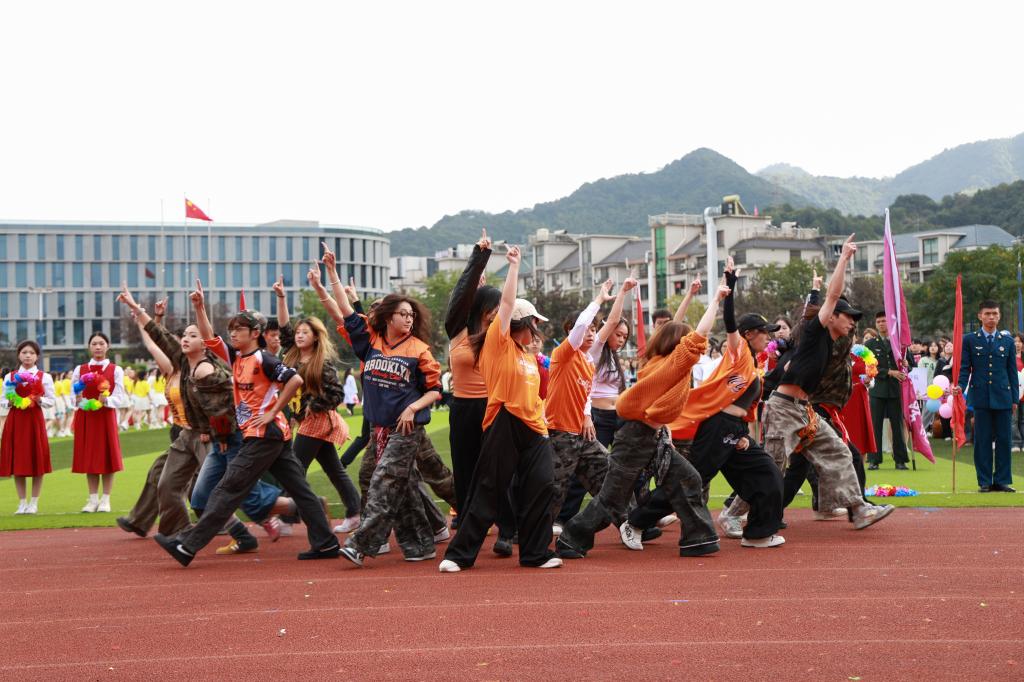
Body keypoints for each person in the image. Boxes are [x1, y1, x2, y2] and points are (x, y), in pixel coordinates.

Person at [153, 279, 337, 566]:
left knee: (226, 490)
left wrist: (272, 411)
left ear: (255, 333)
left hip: (264, 434)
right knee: (300, 491)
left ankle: (187, 546)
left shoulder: (265, 359)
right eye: (232, 329)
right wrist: (199, 307)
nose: (233, 333)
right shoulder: (236, 356)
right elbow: (209, 336)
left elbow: (295, 380)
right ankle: (326, 543)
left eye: (239, 329)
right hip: (271, 435)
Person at [556, 282, 726, 560]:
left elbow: (678, 329)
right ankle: (571, 539)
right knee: (613, 497)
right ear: (679, 344)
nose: (697, 348)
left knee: (688, 478)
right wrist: (716, 299)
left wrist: (691, 298)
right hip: (636, 436)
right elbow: (698, 334)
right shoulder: (672, 363)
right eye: (687, 342)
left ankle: (698, 538)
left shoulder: (664, 361)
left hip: (649, 435)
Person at [314, 253, 447, 566]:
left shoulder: (420, 350)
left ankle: (361, 544)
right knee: (402, 485)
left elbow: (435, 390)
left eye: (411, 315)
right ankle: (420, 545)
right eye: (403, 314)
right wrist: (332, 274)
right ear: (388, 317)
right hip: (379, 429)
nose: (409, 319)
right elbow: (345, 311)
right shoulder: (370, 341)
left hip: (406, 428)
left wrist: (413, 407)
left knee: (383, 480)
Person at [439, 246, 562, 572]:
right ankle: (459, 555)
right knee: (488, 489)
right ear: (521, 323)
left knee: (542, 485)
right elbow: (506, 305)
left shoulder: (527, 355)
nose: (537, 330)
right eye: (534, 323)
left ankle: (536, 553)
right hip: (504, 421)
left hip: (535, 428)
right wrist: (514, 267)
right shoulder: (499, 343)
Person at [761, 235, 894, 531]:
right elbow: (830, 298)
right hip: (785, 408)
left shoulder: (835, 341)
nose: (852, 323)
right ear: (830, 317)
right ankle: (738, 512)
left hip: (804, 409)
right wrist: (843, 259)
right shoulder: (813, 333)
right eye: (847, 317)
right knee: (773, 466)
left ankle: (855, 509)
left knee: (839, 453)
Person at [547, 277, 637, 542]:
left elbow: (585, 393)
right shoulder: (564, 354)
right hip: (560, 433)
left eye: (593, 330)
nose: (590, 333)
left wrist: (586, 415)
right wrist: (599, 299)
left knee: (609, 472)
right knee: (555, 488)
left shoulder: (589, 360)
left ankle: (631, 522)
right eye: (586, 329)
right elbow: (583, 325)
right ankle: (533, 532)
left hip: (582, 433)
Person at [275, 273, 361, 533]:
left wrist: (314, 406)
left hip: (318, 420)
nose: (299, 335)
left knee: (294, 468)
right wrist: (281, 298)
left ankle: (286, 518)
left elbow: (336, 394)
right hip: (307, 421)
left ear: (315, 337)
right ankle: (355, 512)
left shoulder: (321, 363)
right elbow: (284, 329)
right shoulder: (292, 355)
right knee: (334, 469)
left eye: (305, 332)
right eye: (298, 332)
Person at [442, 229, 510, 541]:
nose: (497, 311)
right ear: (481, 306)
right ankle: (470, 527)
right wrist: (479, 257)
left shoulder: (500, 334)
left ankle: (507, 530)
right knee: (465, 469)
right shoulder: (458, 331)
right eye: (493, 306)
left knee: (498, 469)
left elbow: (510, 304)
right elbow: (460, 297)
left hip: (493, 407)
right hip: (462, 408)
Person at [954, 300, 1017, 493]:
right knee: (982, 440)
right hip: (980, 396)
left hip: (1003, 396)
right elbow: (965, 368)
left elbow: (1012, 372)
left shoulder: (1007, 341)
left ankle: (1002, 480)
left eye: (995, 314)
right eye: (988, 313)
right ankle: (984, 481)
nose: (991, 317)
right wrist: (960, 386)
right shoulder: (970, 340)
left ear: (999, 316)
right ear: (980, 316)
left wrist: (1015, 399)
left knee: (1004, 440)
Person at [72, 332, 128, 513]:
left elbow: (120, 397)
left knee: (107, 457)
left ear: (107, 346)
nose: (98, 347)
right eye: (94, 344)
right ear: (89, 347)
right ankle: (92, 499)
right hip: (86, 416)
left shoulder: (115, 370)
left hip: (105, 416)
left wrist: (107, 400)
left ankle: (106, 499)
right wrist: (77, 399)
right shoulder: (80, 370)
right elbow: (73, 394)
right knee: (89, 458)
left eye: (101, 343)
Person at [1, 341, 54, 514]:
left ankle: (34, 502)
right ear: (19, 355)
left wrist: (40, 400)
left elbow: (51, 400)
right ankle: (22, 502)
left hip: (34, 420)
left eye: (31, 353)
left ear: (37, 356)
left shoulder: (44, 377)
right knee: (18, 461)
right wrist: (8, 402)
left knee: (37, 460)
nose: (28, 356)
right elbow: (3, 400)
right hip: (16, 420)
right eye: (24, 352)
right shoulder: (10, 377)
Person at [865, 310, 914, 470]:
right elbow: (869, 367)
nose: (881, 324)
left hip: (895, 390)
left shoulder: (899, 343)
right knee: (875, 425)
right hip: (877, 390)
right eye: (878, 322)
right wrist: (889, 372)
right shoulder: (870, 344)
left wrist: (906, 365)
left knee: (897, 425)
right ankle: (874, 460)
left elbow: (910, 365)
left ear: (890, 322)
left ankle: (900, 459)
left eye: (884, 321)